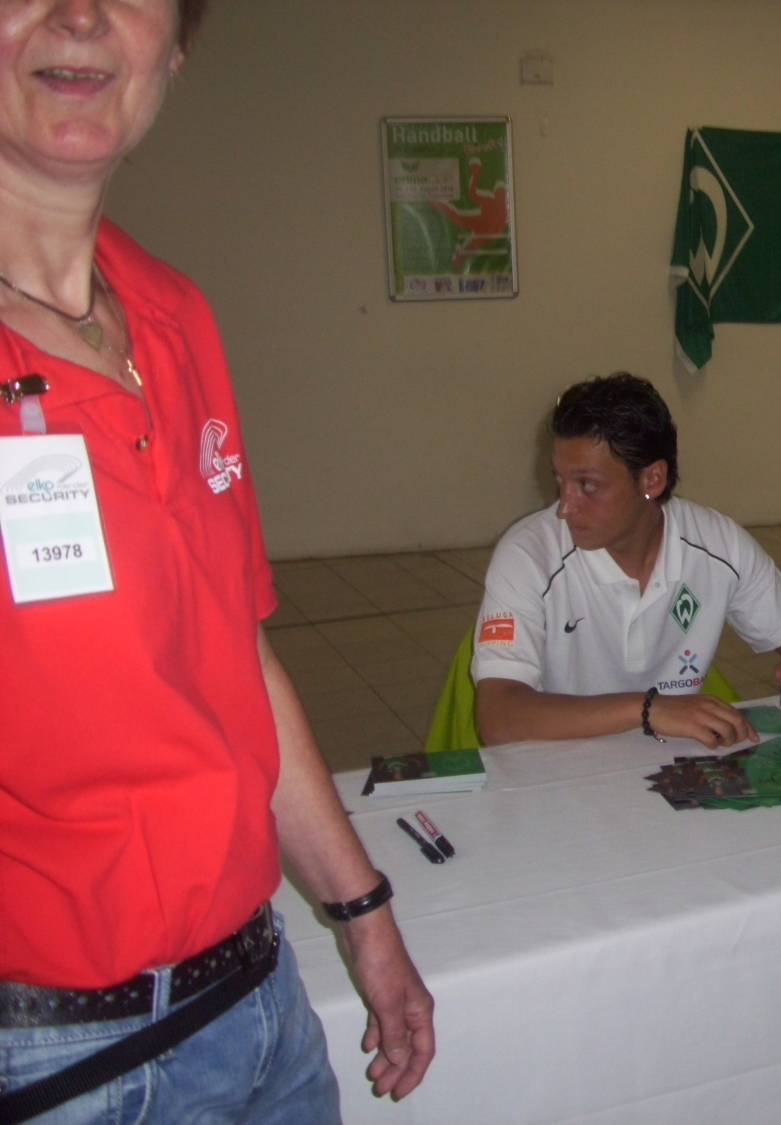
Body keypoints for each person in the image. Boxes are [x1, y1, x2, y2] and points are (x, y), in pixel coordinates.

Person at [0, 3, 433, 1121]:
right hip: (53, 1063)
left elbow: (236, 653)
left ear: (175, 51)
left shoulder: (174, 315)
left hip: (257, 1008)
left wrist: (364, 912)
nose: (80, 13)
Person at [473, 372, 781, 748]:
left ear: (652, 480)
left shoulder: (720, 545)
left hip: (670, 763)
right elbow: (498, 719)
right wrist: (648, 710)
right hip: (559, 767)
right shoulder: (528, 555)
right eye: (560, 481)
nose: (565, 507)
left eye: (588, 485)